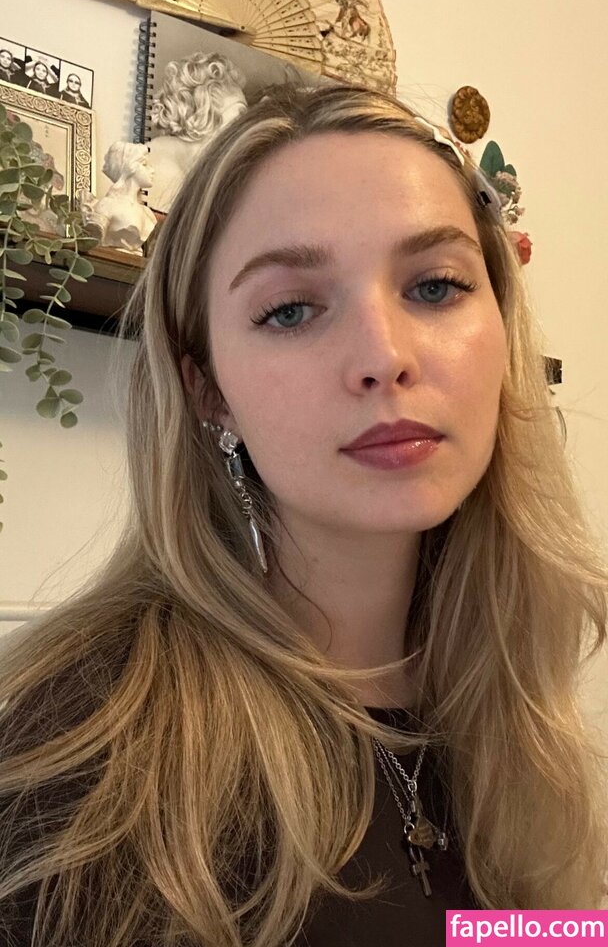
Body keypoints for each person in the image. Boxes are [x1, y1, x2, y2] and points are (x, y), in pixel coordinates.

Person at [0, 84, 607, 947]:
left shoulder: (513, 706)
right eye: (290, 309)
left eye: (436, 286)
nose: (384, 356)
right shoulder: (83, 757)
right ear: (208, 388)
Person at [145, 50, 248, 214]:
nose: (244, 129)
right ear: (206, 110)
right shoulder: (162, 166)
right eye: (240, 115)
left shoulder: (188, 169)